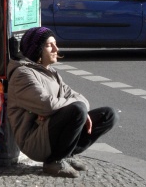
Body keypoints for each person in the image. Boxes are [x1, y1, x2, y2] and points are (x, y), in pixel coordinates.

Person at [7, 27, 118, 178]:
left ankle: (67, 154)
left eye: (55, 44)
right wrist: (73, 107)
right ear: (37, 50)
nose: (56, 48)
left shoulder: (50, 72)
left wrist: (75, 107)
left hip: (48, 129)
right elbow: (47, 105)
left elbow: (76, 96)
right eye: (49, 45)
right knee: (77, 109)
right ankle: (54, 161)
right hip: (34, 139)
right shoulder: (22, 74)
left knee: (108, 115)